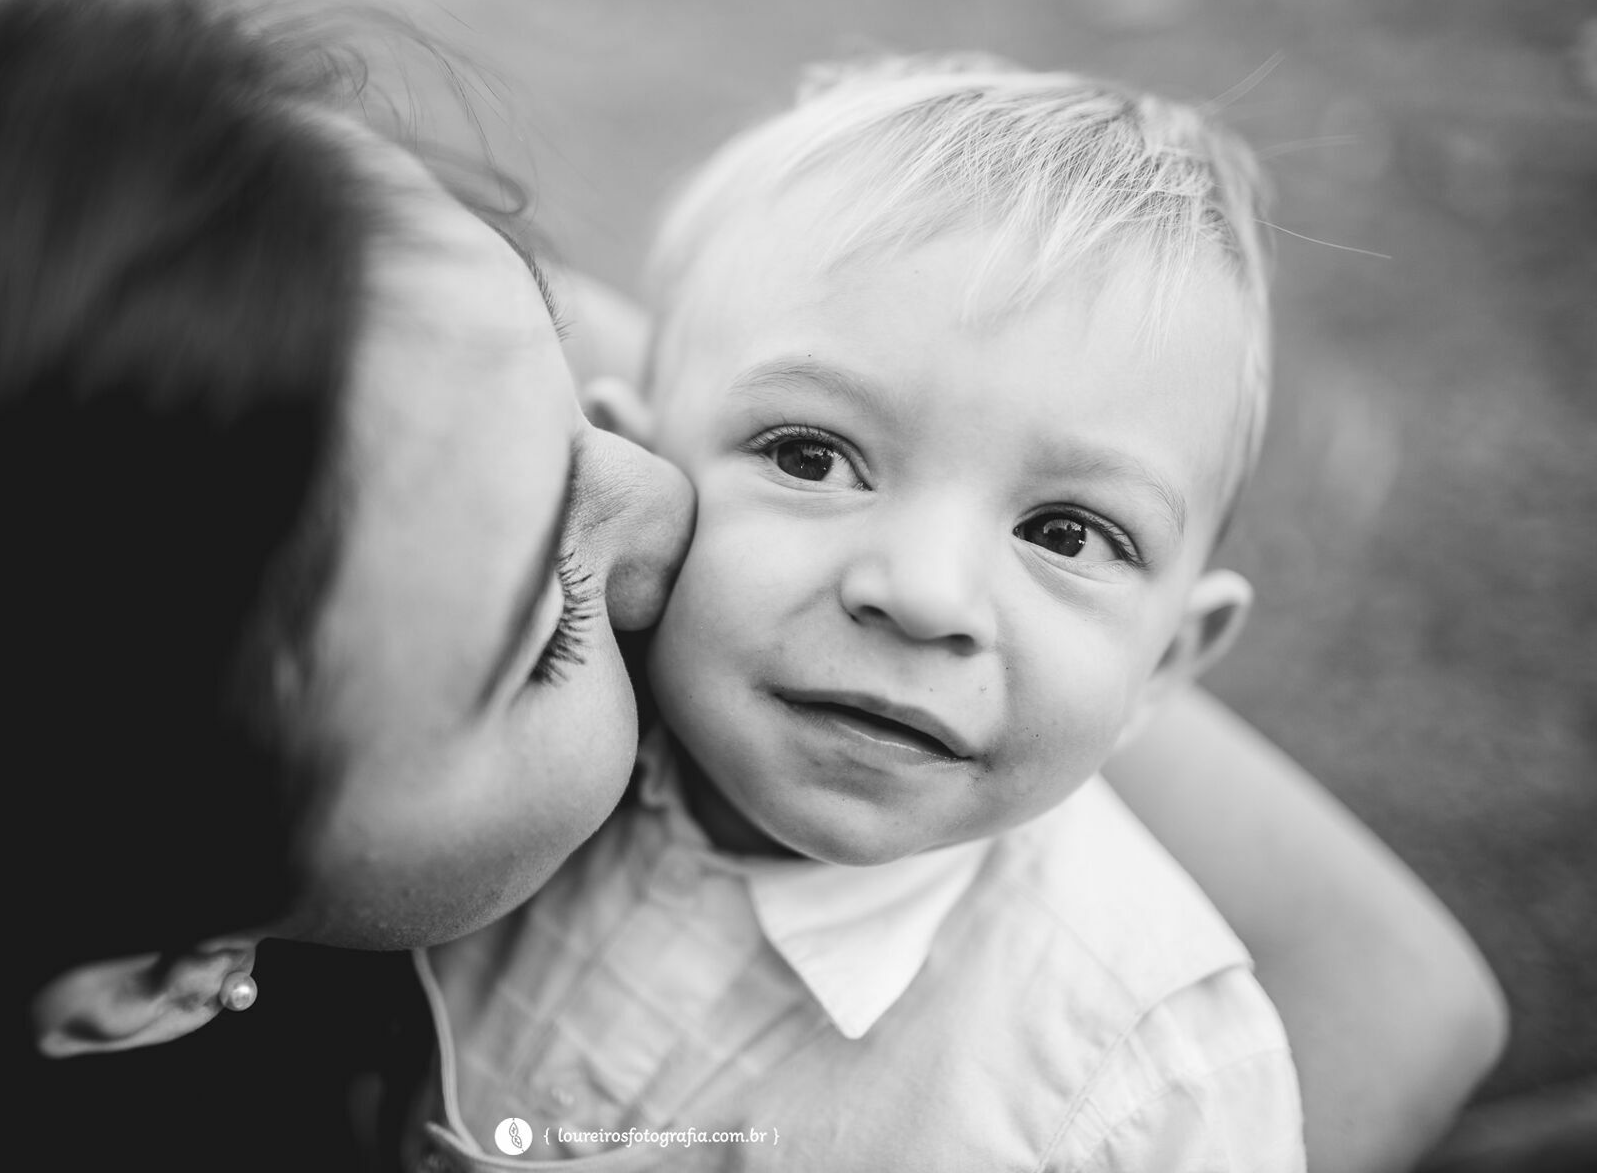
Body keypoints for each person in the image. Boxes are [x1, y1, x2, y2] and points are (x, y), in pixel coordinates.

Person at [0, 0, 1498, 1167]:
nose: (659, 508)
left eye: (573, 394)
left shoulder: (308, 335)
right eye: (541, 628)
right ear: (166, 972)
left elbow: (1398, 994)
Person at [412, 56, 1340, 1170]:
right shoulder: (466, 721)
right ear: (638, 480)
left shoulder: (1151, 1089)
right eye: (812, 456)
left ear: (1166, 662)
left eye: (1065, 533)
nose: (924, 593)